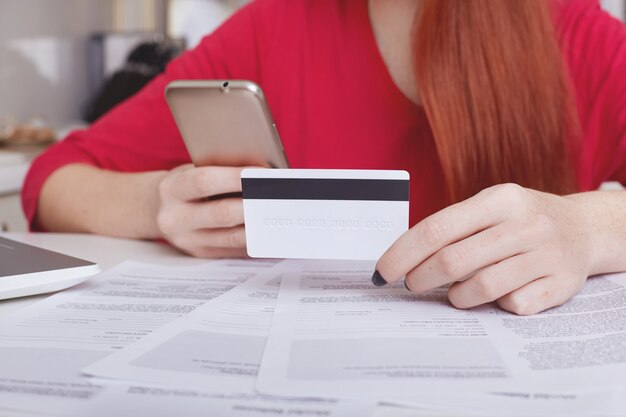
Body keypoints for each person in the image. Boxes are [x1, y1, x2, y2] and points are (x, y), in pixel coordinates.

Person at [23, 0, 626, 315]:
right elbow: (52, 180)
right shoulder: (272, 26)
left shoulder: (578, 36)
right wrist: (157, 206)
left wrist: (588, 229)